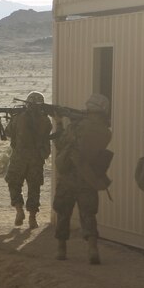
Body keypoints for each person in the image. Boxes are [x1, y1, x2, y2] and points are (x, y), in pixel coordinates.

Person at [52, 94, 113, 264]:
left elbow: (60, 144)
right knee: (88, 214)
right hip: (89, 177)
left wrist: (58, 123)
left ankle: (61, 249)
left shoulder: (75, 127)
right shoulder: (106, 132)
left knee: (63, 212)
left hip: (69, 176)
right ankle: (92, 249)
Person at [4, 91, 53, 228]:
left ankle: (19, 209)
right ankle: (33, 218)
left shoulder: (19, 117)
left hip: (19, 157)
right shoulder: (46, 120)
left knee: (14, 183)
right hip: (36, 159)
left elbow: (8, 133)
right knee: (34, 187)